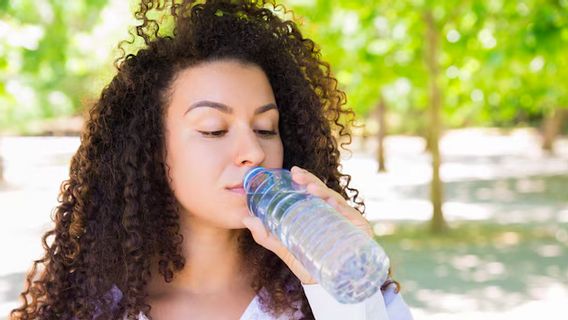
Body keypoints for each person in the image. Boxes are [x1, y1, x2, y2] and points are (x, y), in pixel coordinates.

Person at [11, 0, 413, 319]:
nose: (254, 153)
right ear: (152, 148)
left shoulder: (321, 299)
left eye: (266, 128)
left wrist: (336, 287)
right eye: (213, 129)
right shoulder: (84, 305)